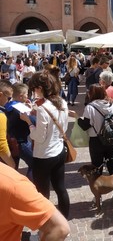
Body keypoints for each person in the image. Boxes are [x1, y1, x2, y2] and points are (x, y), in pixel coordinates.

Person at [20, 71, 70, 218]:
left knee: (42, 193)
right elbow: (63, 126)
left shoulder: (43, 108)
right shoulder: (62, 102)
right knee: (61, 188)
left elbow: (38, 137)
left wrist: (29, 122)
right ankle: (64, 220)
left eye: (34, 88)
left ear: (40, 88)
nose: (34, 91)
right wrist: (35, 110)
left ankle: (45, 225)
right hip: (59, 150)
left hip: (44, 155)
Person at [71, 83, 113, 205]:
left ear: (92, 94)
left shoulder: (90, 107)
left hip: (96, 141)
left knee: (97, 168)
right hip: (112, 140)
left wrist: (76, 117)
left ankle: (98, 197)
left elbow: (85, 125)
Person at [0, 162, 70, 241]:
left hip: (43, 159)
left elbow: (60, 228)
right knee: (58, 188)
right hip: (50, 156)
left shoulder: (12, 187)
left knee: (52, 189)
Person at [5, 83, 34, 179]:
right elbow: (33, 121)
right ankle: (30, 186)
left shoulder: (8, 105)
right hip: (21, 141)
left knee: (13, 167)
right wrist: (31, 110)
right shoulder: (21, 108)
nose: (28, 95)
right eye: (26, 94)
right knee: (35, 163)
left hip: (11, 140)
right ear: (21, 96)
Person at [0, 80, 16, 168]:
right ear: (0, 95)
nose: (9, 101)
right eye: (9, 98)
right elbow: (1, 146)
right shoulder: (1, 116)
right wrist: (12, 164)